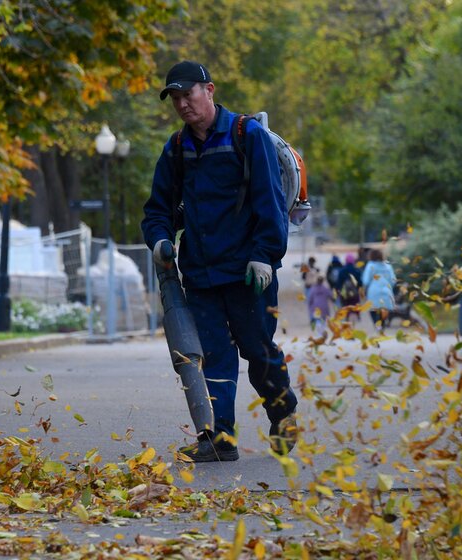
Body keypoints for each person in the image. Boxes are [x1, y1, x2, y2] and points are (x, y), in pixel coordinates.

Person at [141, 61, 298, 463]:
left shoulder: (248, 135)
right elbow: (157, 209)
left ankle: (282, 415)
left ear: (208, 90)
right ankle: (219, 437)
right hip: (201, 273)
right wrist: (159, 240)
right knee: (212, 354)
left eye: (187, 95)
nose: (181, 104)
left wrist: (265, 256)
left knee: (257, 349)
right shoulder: (177, 149)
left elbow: (271, 204)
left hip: (249, 273)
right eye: (175, 98)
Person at [362, 248, 397, 332]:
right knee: (384, 309)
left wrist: (365, 288)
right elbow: (393, 280)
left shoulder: (370, 265)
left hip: (373, 291)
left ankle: (376, 325)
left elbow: (366, 280)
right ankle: (382, 324)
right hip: (386, 290)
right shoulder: (388, 266)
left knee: (373, 309)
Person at [335, 253, 362, 321]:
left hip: (344, 293)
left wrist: (338, 291)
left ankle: (346, 318)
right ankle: (356, 316)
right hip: (355, 293)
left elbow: (338, 283)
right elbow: (360, 283)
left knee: (345, 306)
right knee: (355, 305)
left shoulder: (342, 270)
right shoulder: (356, 270)